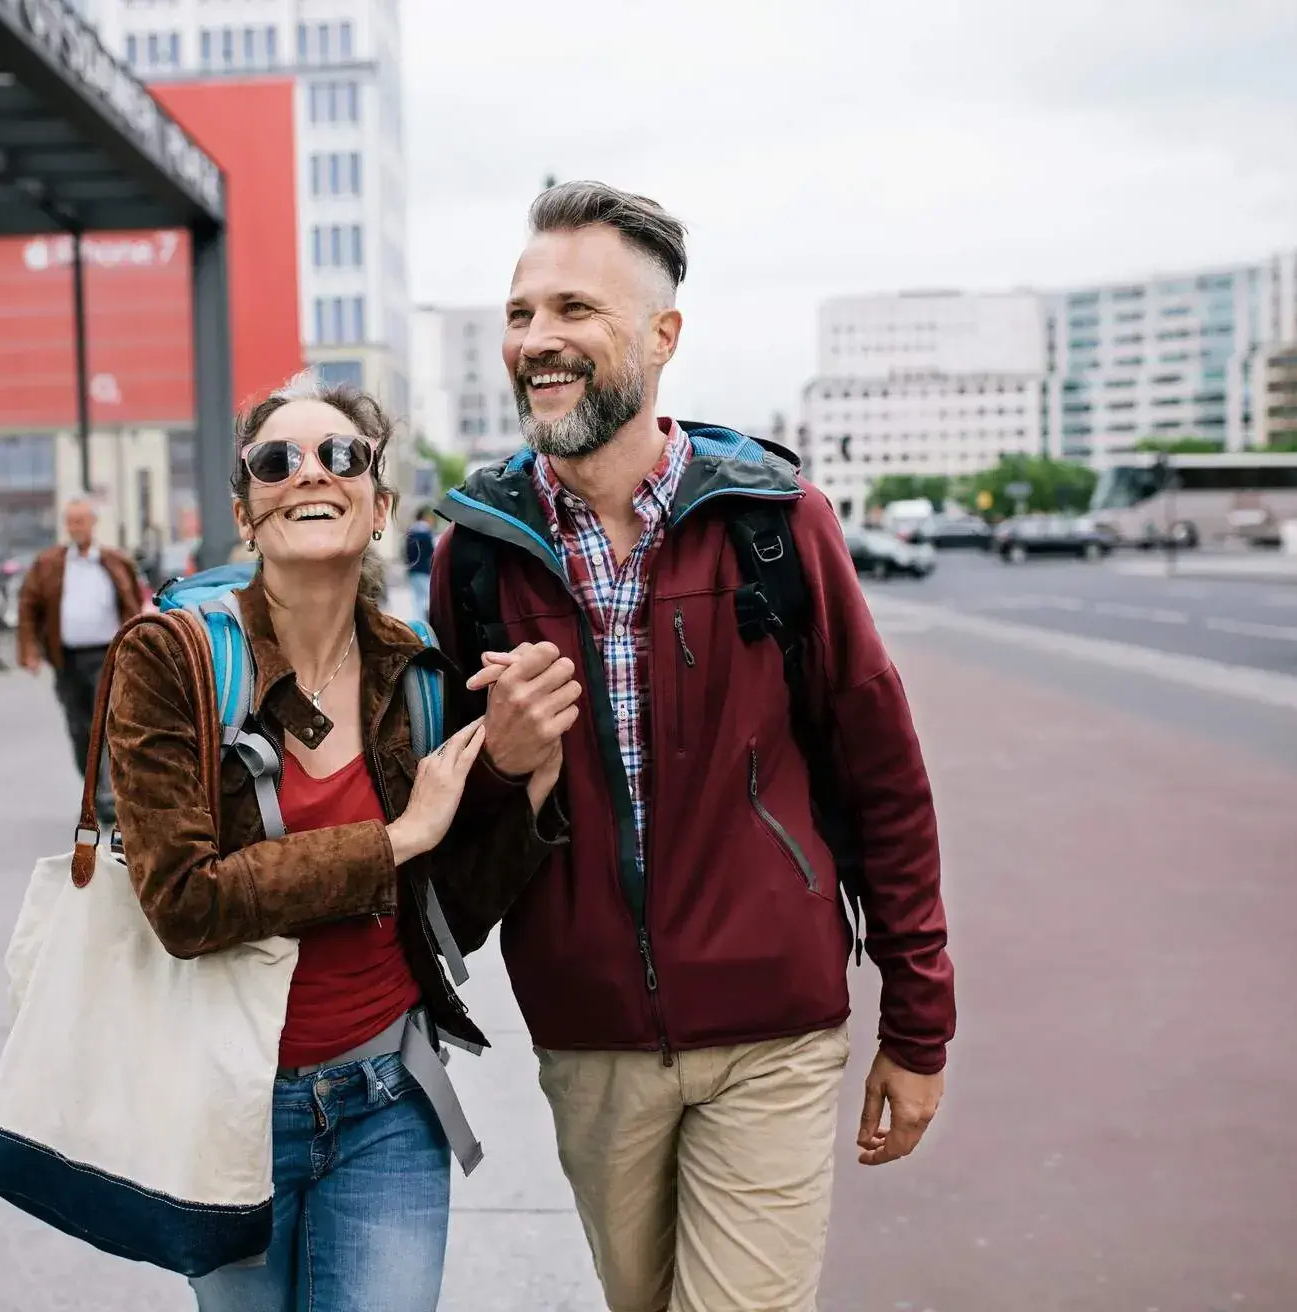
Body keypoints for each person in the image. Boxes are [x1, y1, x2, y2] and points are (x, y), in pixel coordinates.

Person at [428, 181, 956, 1312]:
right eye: (520, 314)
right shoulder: (477, 555)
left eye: (575, 308)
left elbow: (884, 780)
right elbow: (448, 862)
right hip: (592, 1040)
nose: (537, 340)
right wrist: (511, 770)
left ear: (663, 337)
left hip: (775, 1027)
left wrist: (919, 1021)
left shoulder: (773, 521)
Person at [106, 373, 577, 1310]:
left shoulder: (416, 671)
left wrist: (527, 782)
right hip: (233, 1106)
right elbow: (186, 904)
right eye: (276, 461)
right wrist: (394, 837)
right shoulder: (169, 659)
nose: (309, 473)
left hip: (388, 1103)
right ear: (246, 513)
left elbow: (451, 914)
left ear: (379, 506)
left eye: (341, 456)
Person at [17, 497, 143, 827]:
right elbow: (28, 606)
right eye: (71, 522)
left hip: (107, 656)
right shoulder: (49, 564)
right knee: (80, 729)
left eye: (81, 521)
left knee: (110, 726)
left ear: (93, 523)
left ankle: (106, 796)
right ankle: (92, 792)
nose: (76, 528)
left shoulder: (115, 561)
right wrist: (29, 650)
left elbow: (134, 604)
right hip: (67, 659)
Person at [403, 508, 436, 624]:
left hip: (412, 570)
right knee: (426, 598)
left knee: (416, 599)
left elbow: (405, 552)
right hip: (425, 570)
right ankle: (426, 623)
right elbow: (431, 552)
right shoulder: (427, 533)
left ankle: (418, 623)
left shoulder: (410, 533)